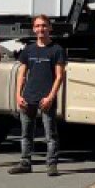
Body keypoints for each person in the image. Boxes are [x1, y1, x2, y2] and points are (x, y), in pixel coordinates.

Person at [12, 15, 67, 176]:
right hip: (28, 97)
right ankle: (25, 162)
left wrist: (50, 97)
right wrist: (18, 95)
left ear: (50, 28)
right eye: (37, 26)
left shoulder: (56, 50)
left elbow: (59, 76)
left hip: (46, 98)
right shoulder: (28, 49)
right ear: (34, 29)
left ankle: (51, 164)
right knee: (26, 133)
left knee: (50, 134)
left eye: (44, 25)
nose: (41, 29)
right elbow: (21, 74)